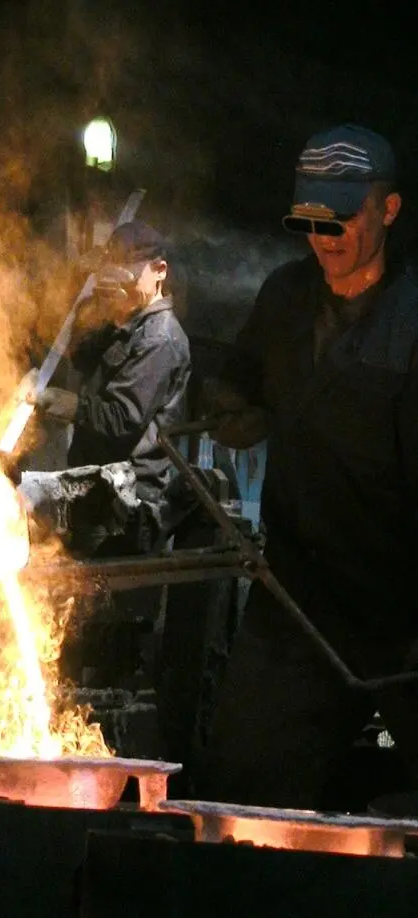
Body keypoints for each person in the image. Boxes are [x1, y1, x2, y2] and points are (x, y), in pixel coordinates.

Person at [197, 123, 418, 810]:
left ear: (387, 209)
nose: (323, 239)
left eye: (341, 219)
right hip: (299, 597)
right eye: (309, 220)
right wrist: (229, 402)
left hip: (401, 600)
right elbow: (239, 376)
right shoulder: (284, 297)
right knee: (240, 791)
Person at [30, 219, 191, 554]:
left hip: (127, 503)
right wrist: (92, 309)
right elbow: (80, 356)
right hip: (97, 487)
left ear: (159, 270)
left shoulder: (159, 339)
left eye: (128, 274)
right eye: (112, 269)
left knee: (105, 595)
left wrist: (74, 406)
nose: (119, 285)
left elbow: (122, 419)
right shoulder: (123, 321)